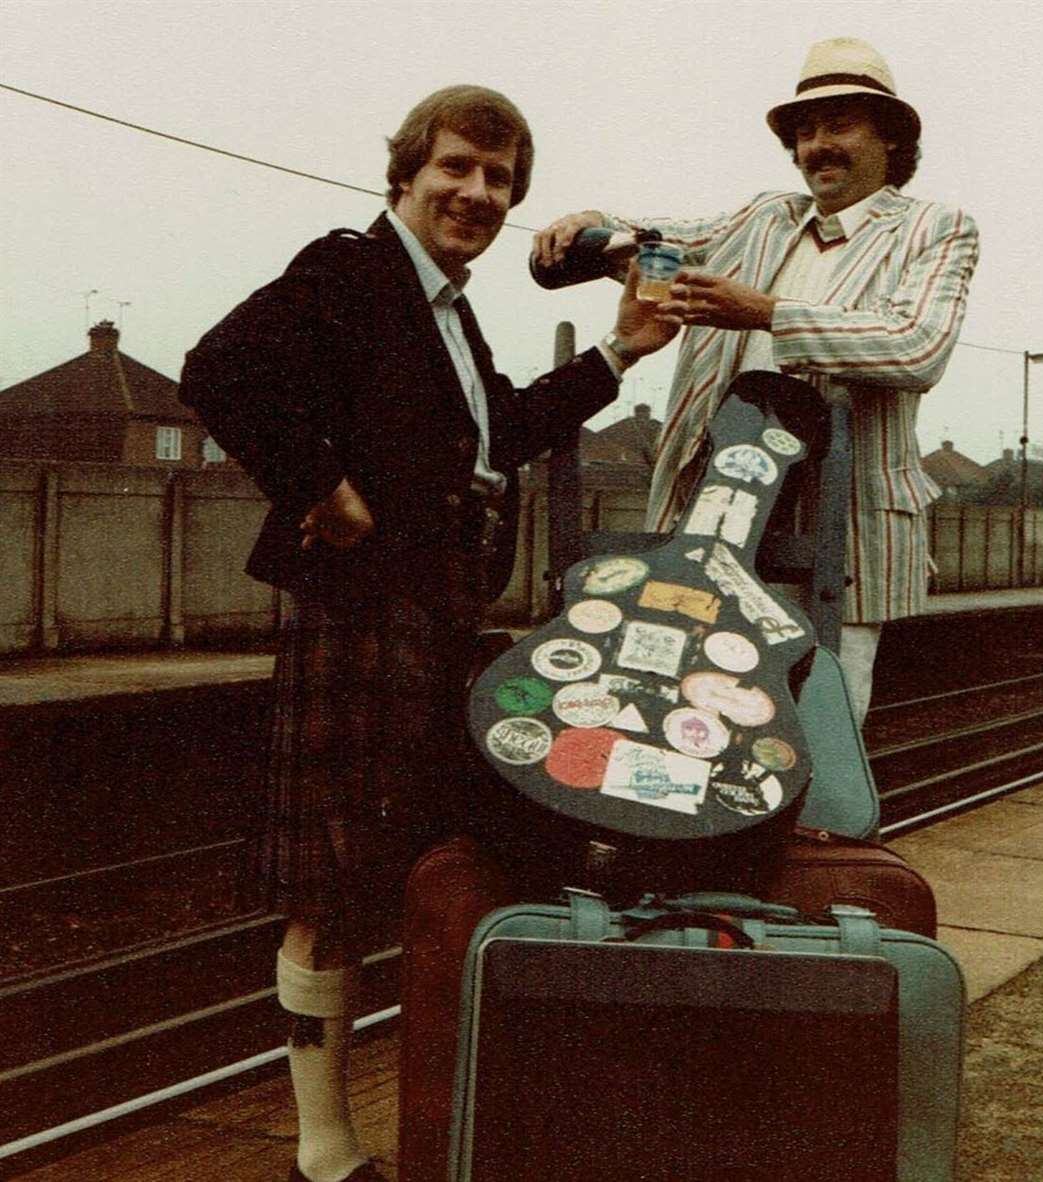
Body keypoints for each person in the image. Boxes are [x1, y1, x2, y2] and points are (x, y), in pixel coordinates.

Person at [179, 85, 676, 1182]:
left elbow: (504, 428)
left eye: (498, 180)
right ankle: (322, 1152)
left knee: (432, 861)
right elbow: (216, 368)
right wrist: (321, 486)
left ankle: (429, 1118)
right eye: (456, 168)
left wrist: (621, 352)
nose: (477, 193)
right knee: (333, 884)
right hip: (361, 617)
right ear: (404, 173)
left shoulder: (447, 312)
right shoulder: (352, 269)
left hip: (434, 616)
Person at [534, 37, 980, 724]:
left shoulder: (935, 229)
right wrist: (597, 223)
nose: (816, 146)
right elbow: (656, 237)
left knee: (816, 708)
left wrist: (765, 314)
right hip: (713, 505)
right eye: (804, 132)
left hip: (843, 520)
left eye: (838, 125)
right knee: (689, 702)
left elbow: (916, 346)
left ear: (889, 136)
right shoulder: (763, 217)